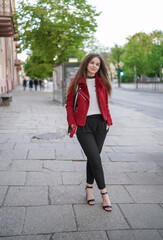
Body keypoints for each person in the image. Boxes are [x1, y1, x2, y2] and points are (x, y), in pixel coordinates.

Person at [66, 53, 113, 212]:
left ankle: (88, 188)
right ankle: (104, 193)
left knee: (93, 159)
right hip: (83, 125)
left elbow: (105, 104)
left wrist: (108, 121)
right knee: (95, 159)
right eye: (91, 62)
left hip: (100, 124)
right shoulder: (77, 82)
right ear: (86, 63)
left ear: (100, 67)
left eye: (97, 64)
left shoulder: (102, 82)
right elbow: (69, 104)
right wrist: (72, 123)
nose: (94, 66)